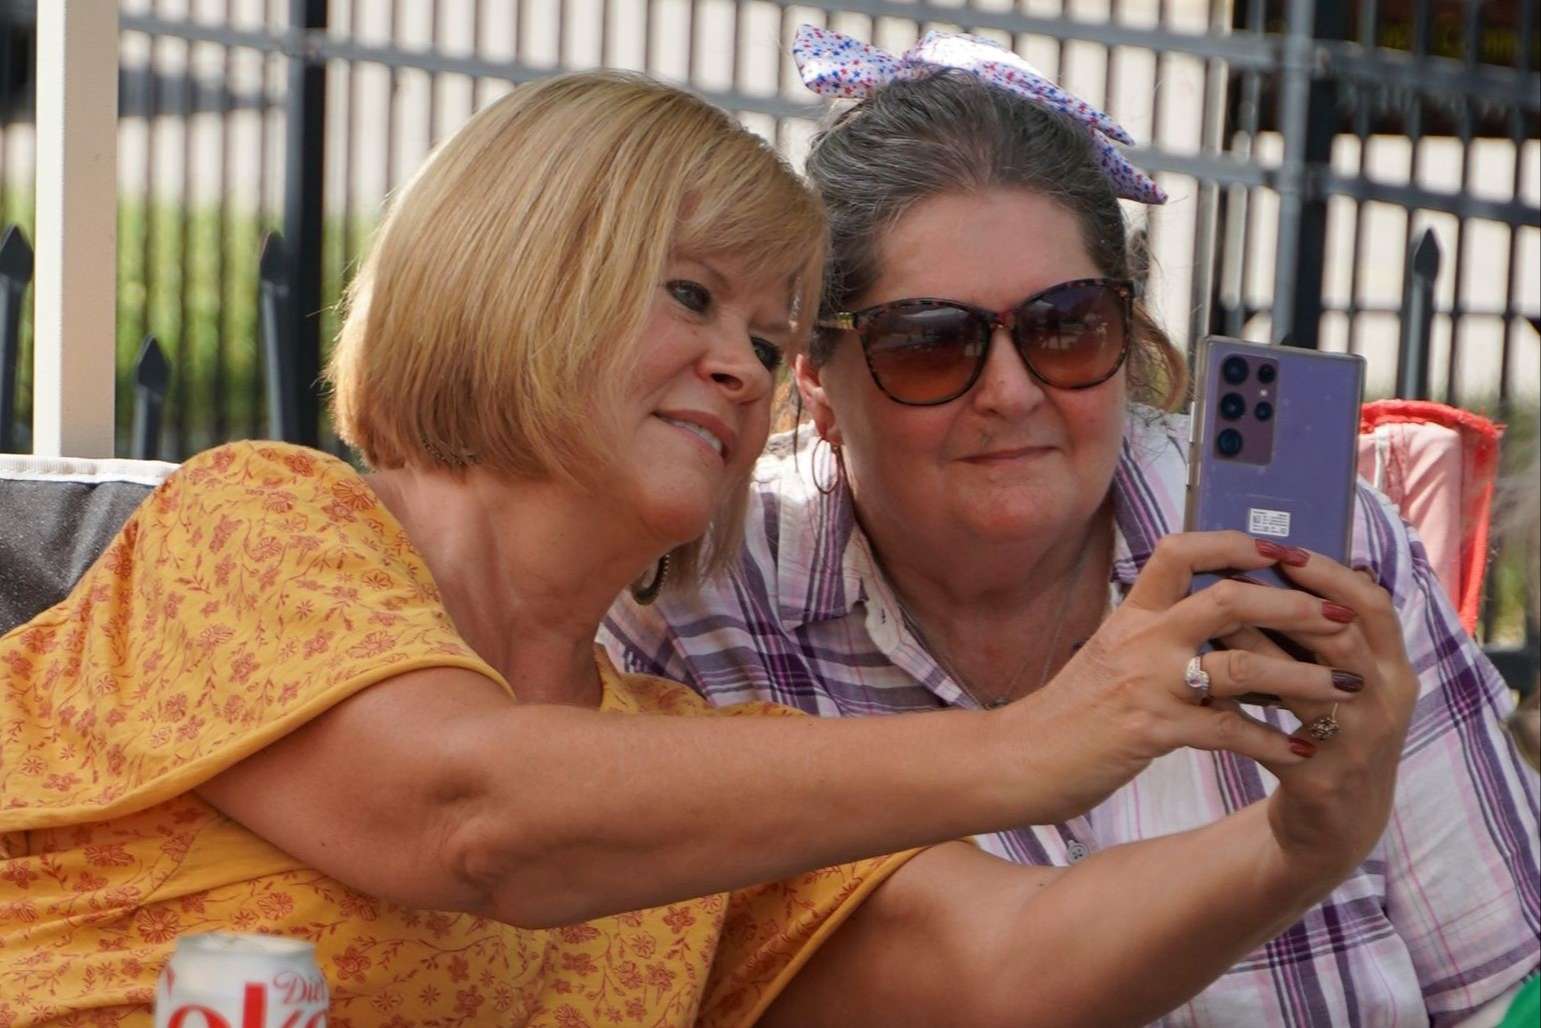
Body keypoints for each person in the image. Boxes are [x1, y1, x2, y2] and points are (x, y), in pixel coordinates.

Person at [2, 70, 1404, 1028]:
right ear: (516, 272)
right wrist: (1056, 733)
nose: (740, 366)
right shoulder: (261, 521)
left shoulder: (674, 763)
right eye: (690, 294)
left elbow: (1004, 962)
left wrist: (1297, 841)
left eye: (772, 336)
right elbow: (464, 813)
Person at [602, 27, 1541, 1027]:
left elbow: (1504, 983)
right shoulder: (697, 609)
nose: (1009, 392)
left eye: (1064, 325)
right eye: (929, 343)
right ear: (817, 381)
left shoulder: (1326, 561)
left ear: (1125, 331)